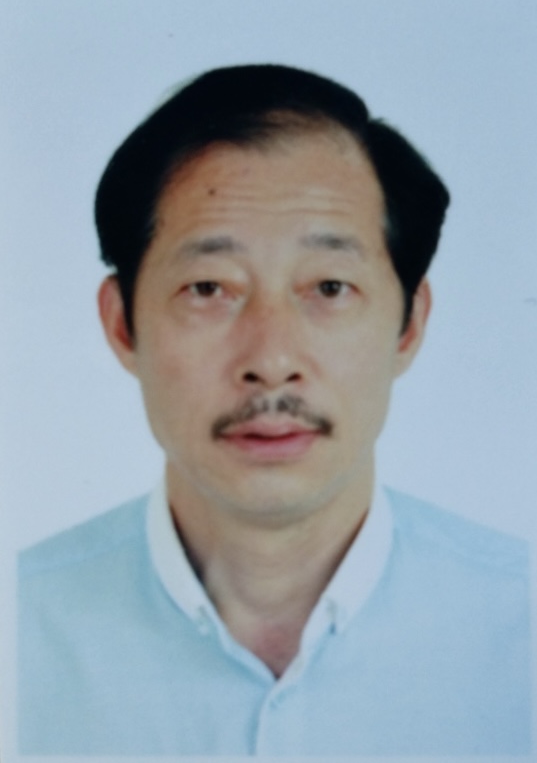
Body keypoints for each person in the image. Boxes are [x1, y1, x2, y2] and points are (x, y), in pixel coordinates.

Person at [18, 64, 531, 756]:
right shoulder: (22, 631)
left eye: (329, 286)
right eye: (208, 287)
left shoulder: (519, 630)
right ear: (122, 325)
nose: (272, 357)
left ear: (408, 325)